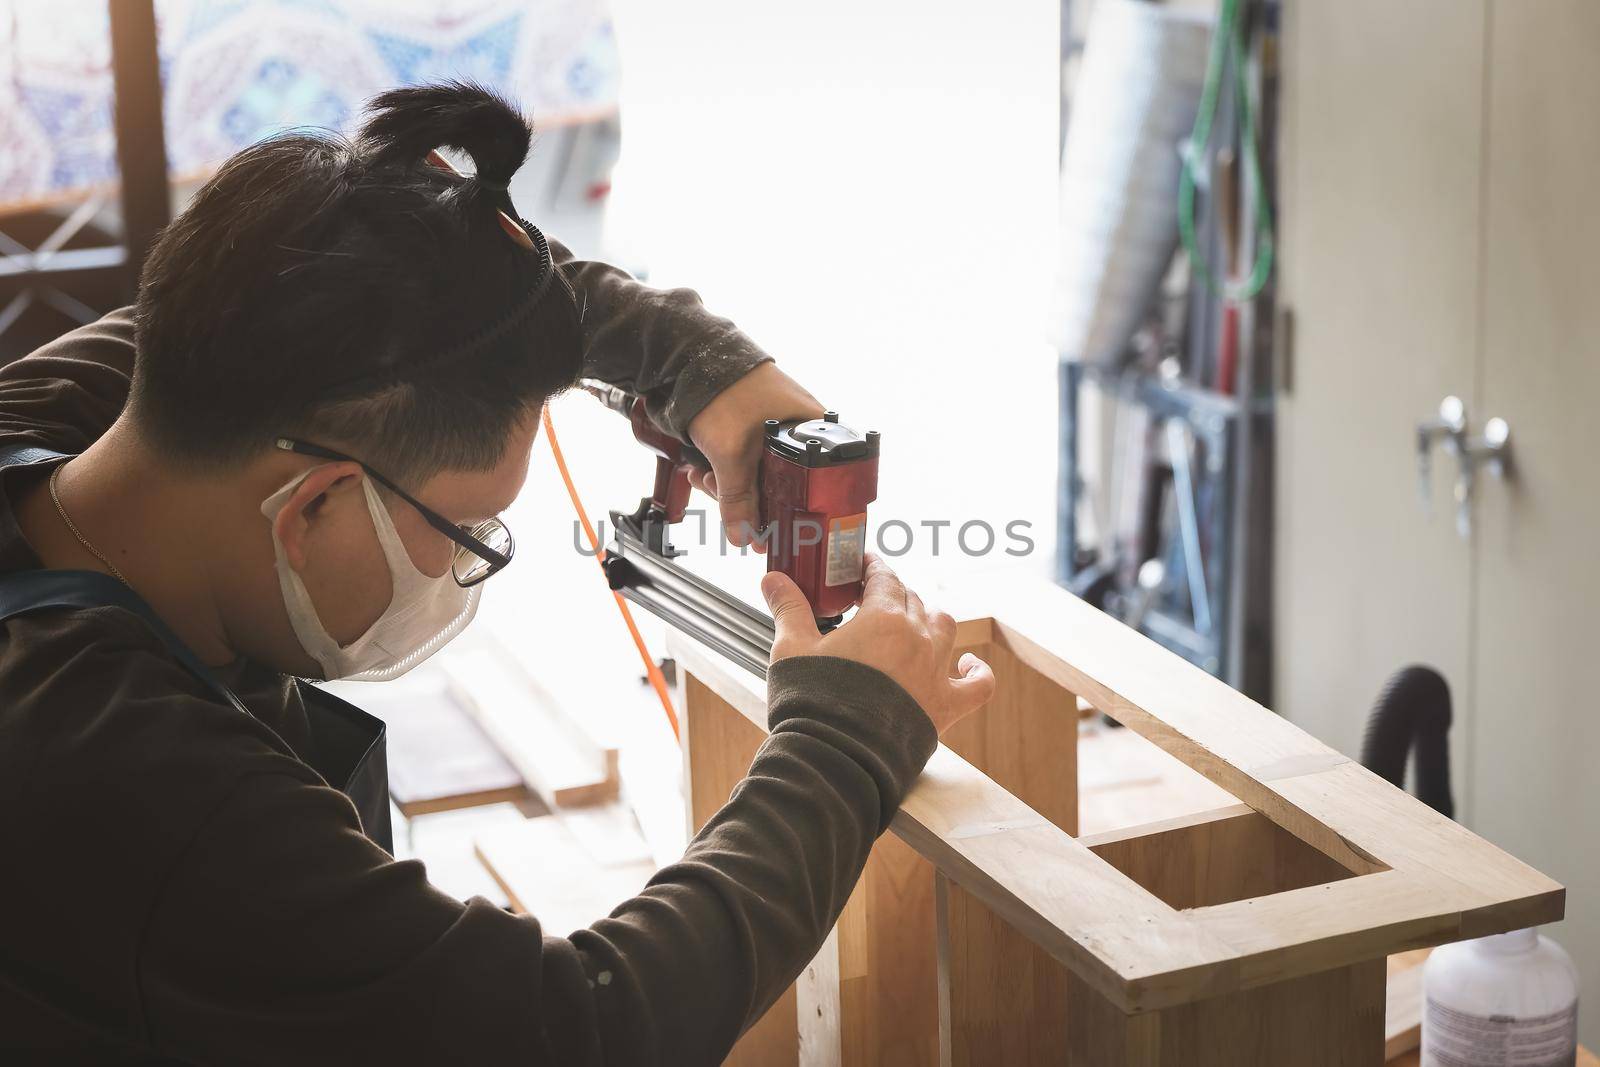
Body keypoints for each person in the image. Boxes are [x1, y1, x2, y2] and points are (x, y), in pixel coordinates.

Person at [0, 82, 994, 1064]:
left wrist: (686, 359)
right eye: (470, 525)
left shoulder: (87, 406)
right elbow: (577, 1028)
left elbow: (388, 283)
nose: (465, 567)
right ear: (311, 505)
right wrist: (844, 741)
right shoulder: (152, 793)